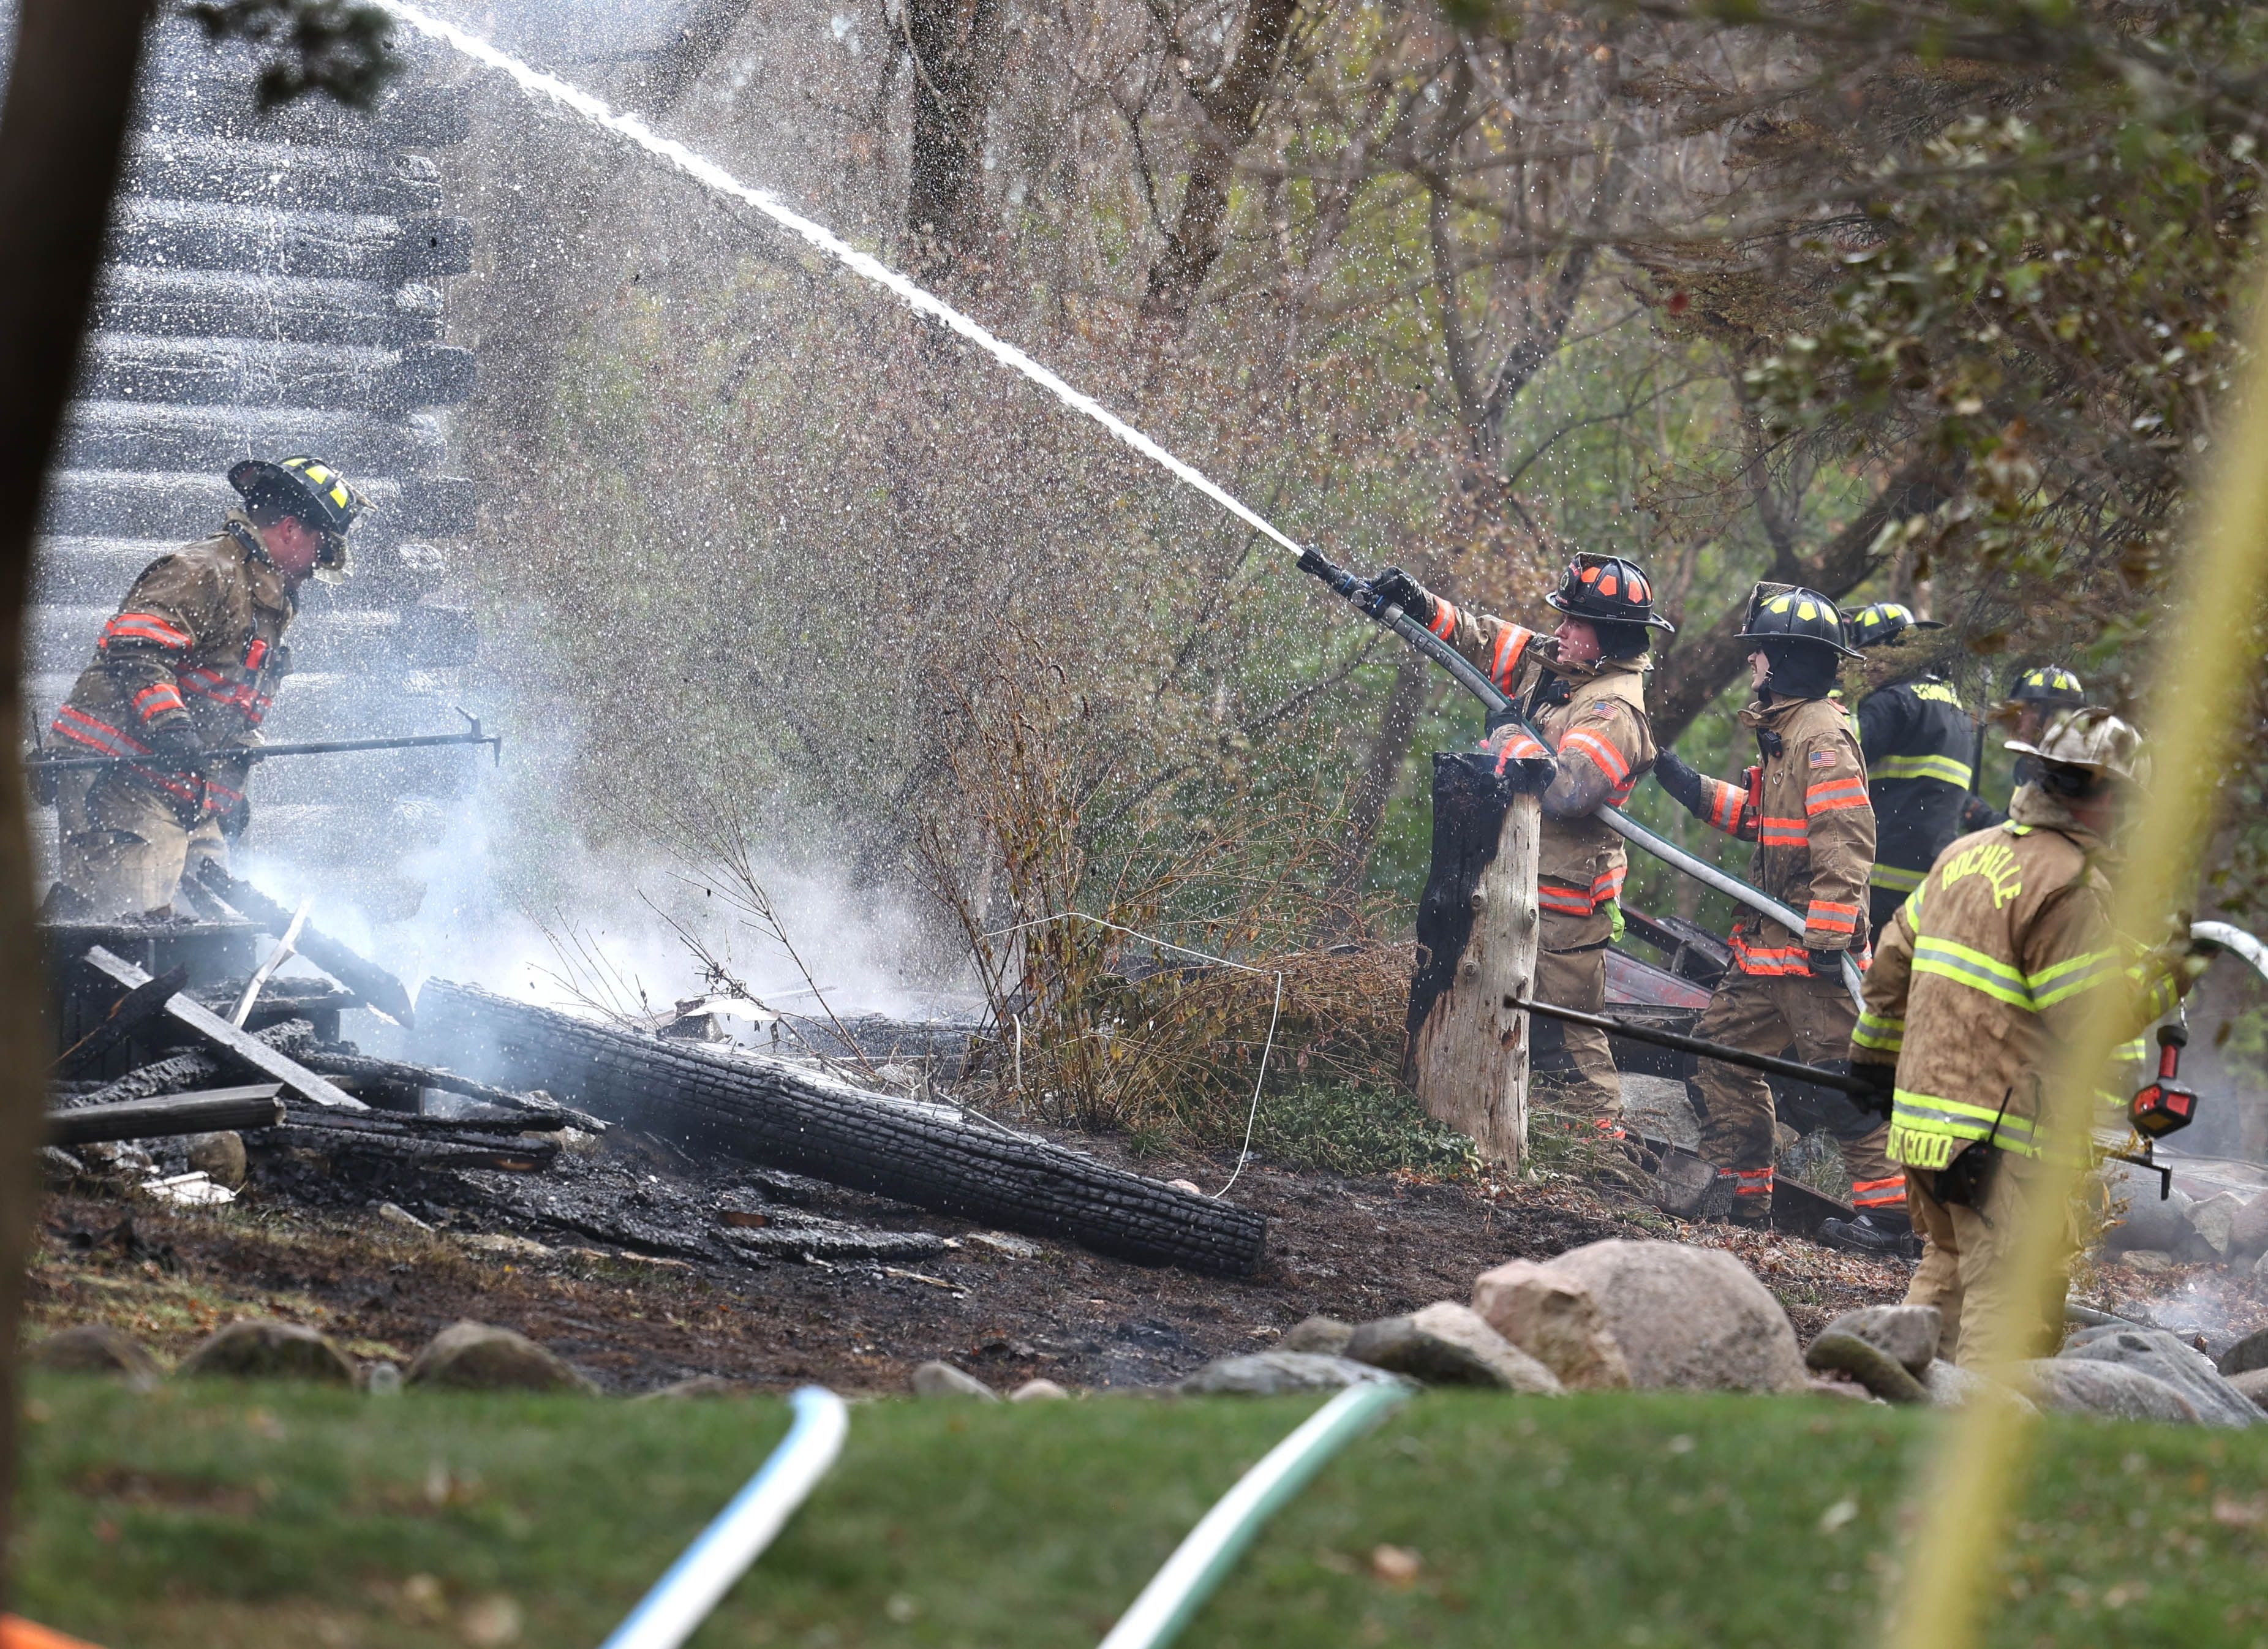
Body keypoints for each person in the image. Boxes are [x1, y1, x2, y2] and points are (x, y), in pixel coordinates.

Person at [1846, 708, 2198, 1363]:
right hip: (1998, 1141)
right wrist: (2168, 977)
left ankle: (1886, 1404)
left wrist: (1868, 1061)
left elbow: (1888, 971)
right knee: (2001, 1296)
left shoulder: (1961, 855)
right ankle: (1974, 1423)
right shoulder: (2067, 886)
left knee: (1944, 1267)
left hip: (1923, 1128)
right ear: (2106, 799)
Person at [1366, 554, 1670, 1131]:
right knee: (1491, 1009)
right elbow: (1488, 641)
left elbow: (1569, 788)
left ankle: (1606, 1160)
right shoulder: (1564, 665)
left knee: (1568, 1043)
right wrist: (1421, 605)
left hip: (1564, 905)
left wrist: (1507, 735)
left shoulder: (1611, 709)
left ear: (1606, 637)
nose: (1559, 632)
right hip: (1516, 880)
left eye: (1574, 623)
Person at [1649, 585, 1891, 1227]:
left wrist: (1829, 941)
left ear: (1783, 659)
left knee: (1845, 1091)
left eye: (1759, 652)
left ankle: (1890, 1218)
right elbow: (1763, 821)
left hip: (1811, 955)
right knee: (1718, 1057)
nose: (1751, 663)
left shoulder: (1822, 739)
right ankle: (1739, 1187)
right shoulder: (1785, 735)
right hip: (1765, 954)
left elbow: (1845, 843)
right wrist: (1686, 786)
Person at [43, 455, 367, 919]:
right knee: (130, 932)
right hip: (118, 774)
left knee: (218, 922)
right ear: (293, 529)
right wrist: (171, 726)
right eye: (322, 545)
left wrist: (229, 795)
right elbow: (137, 649)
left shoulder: (270, 600)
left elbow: (238, 707)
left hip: (179, 785)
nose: (319, 565)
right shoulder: (206, 569)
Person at [1845, 602, 1976, 941]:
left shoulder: (1892, 702)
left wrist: (1828, 690)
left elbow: (1840, 754)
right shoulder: (1957, 707)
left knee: (1862, 982)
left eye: (1869, 654)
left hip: (1881, 879)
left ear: (1895, 650)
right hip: (1932, 879)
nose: (1865, 667)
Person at [1957, 665, 2086, 832]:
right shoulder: (2032, 765)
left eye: (2021, 713)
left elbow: (2028, 835)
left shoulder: (2061, 773)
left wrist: (1981, 817)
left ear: (2043, 713)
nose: (2017, 725)